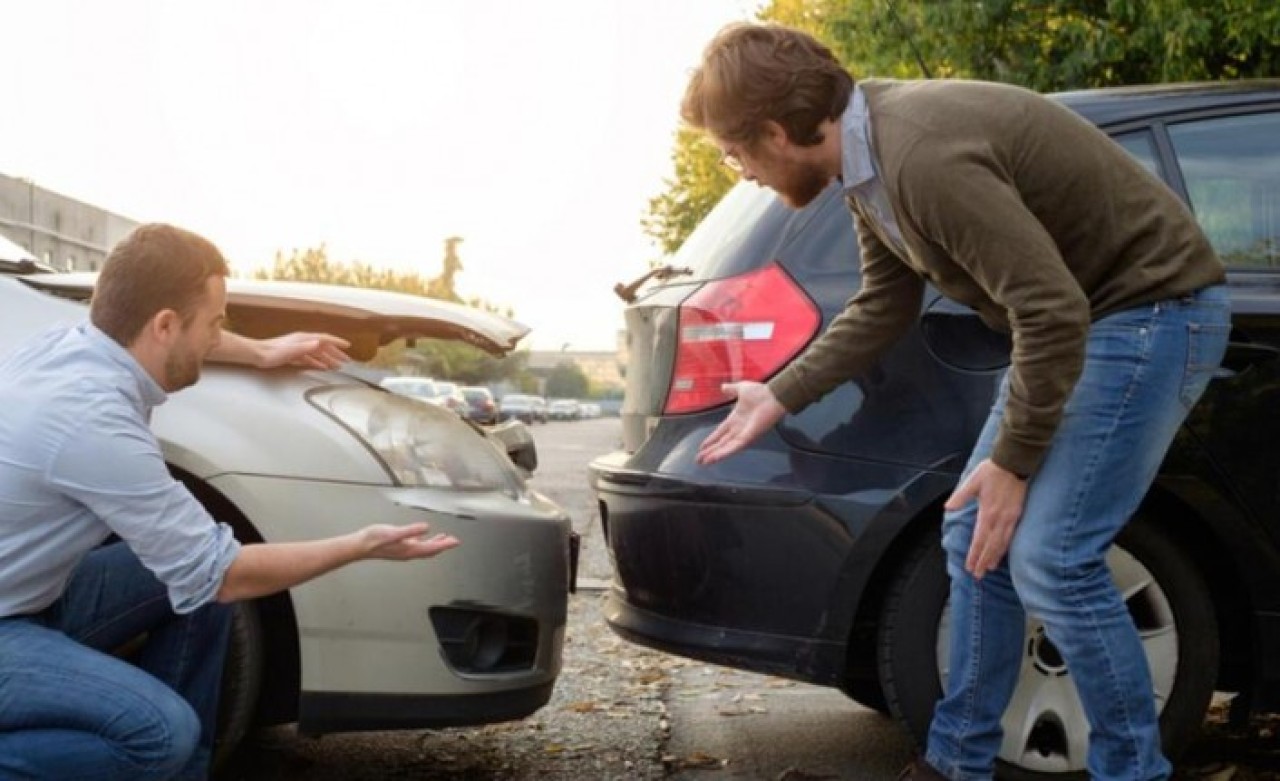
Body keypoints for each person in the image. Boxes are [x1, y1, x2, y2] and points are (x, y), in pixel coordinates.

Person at [684, 23, 1229, 781]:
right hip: (1087, 323)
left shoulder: (921, 156)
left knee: (1052, 559)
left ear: (775, 132)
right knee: (975, 533)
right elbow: (885, 303)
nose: (740, 171)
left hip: (1148, 313)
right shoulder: (867, 166)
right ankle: (956, 764)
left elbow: (1050, 309)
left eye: (733, 152)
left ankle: (1132, 772)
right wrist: (780, 393)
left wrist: (1013, 462)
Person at [0, 223, 461, 780]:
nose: (218, 335)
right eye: (216, 323)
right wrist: (359, 545)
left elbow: (202, 578)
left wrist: (263, 352)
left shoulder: (71, 345)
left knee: (191, 588)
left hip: (32, 599)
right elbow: (224, 575)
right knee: (160, 735)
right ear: (164, 326)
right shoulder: (92, 419)